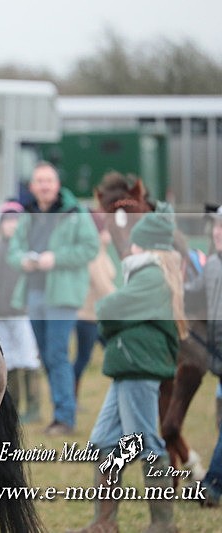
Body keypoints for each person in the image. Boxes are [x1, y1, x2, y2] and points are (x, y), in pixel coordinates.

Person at [72, 204, 185, 533]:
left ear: (145, 245)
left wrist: (111, 323)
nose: (130, 246)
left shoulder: (151, 274)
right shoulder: (147, 273)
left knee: (146, 442)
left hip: (138, 366)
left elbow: (110, 307)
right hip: (128, 366)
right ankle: (103, 522)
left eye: (135, 242)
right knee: (105, 440)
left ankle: (163, 524)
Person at [7, 161, 99, 436]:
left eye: (49, 180)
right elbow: (14, 250)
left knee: (57, 353)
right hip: (34, 293)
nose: (44, 186)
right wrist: (24, 260)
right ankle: (61, 409)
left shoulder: (75, 212)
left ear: (57, 184)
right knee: (46, 356)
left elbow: (90, 248)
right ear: (33, 186)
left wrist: (55, 259)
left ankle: (64, 417)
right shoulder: (28, 214)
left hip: (63, 295)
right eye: (39, 181)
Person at [0, 200, 41, 423]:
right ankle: (14, 406)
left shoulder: (27, 251)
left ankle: (34, 406)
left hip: (22, 312)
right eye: (7, 221)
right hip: (1, 312)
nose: (11, 226)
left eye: (15, 221)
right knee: (9, 359)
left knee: (28, 357)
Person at [185, 205, 222, 508]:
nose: (218, 233)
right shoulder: (211, 264)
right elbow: (192, 291)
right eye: (216, 228)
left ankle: (212, 485)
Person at [73, 211, 117, 404]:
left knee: (115, 355)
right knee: (83, 360)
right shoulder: (95, 255)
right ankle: (70, 399)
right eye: (106, 227)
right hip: (88, 317)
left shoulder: (102, 252)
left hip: (99, 317)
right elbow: (104, 287)